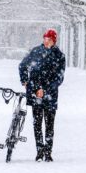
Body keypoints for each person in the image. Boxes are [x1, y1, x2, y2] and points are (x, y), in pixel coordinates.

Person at [19, 29, 66, 162]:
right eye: (45, 38)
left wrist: (45, 90)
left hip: (50, 95)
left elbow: (59, 78)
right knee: (37, 124)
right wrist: (25, 80)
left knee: (49, 124)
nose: (46, 41)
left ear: (54, 41)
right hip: (35, 93)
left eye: (49, 39)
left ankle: (48, 152)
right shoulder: (35, 52)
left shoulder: (59, 56)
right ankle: (39, 151)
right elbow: (22, 65)